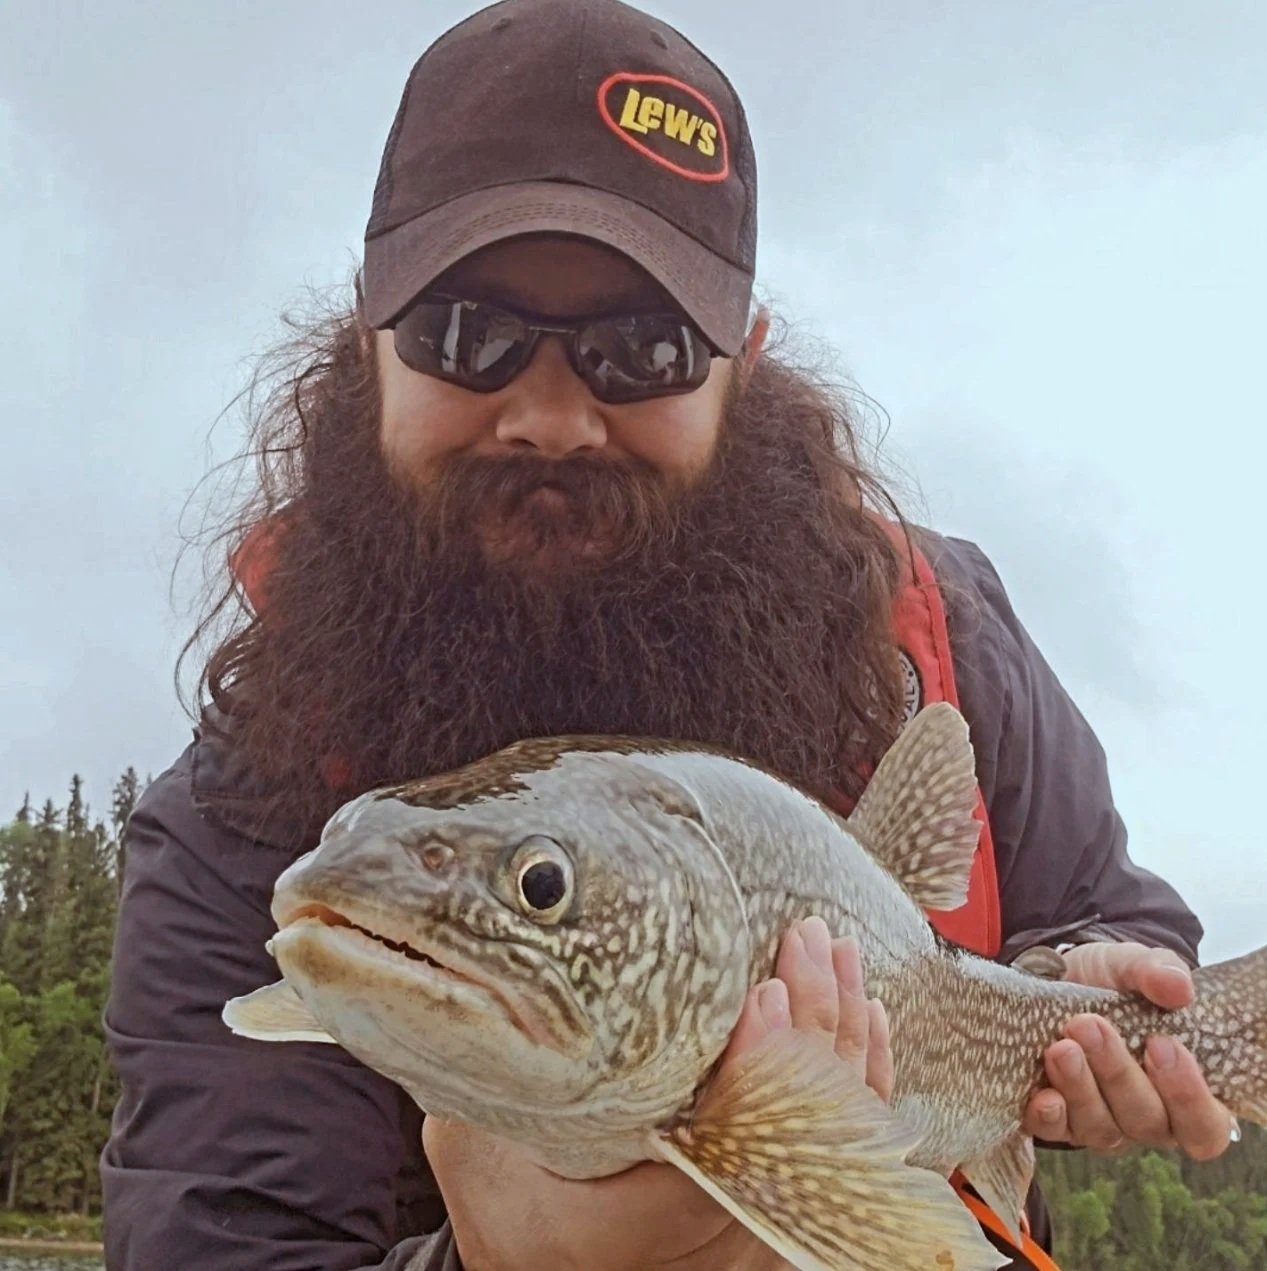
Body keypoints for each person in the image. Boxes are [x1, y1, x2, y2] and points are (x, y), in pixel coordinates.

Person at [100, 1, 1236, 1268]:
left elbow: (1098, 907)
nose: (548, 417)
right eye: (464, 335)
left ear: (740, 361)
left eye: (639, 349)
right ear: (368, 334)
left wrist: (1097, 979)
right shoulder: (233, 829)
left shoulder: (949, 634)